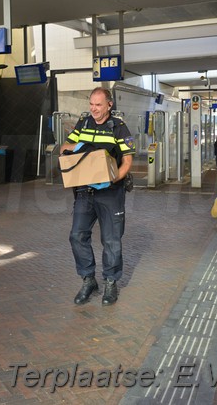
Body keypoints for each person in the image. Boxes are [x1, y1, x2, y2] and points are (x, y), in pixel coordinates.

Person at [60, 87, 135, 306]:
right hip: (84, 191)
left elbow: (128, 161)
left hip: (111, 193)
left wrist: (112, 179)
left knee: (111, 240)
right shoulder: (83, 124)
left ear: (109, 105)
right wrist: (81, 145)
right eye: (91, 104)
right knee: (77, 235)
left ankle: (110, 282)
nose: (94, 108)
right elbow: (64, 147)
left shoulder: (119, 128)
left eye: (98, 104)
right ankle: (88, 279)